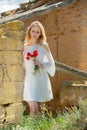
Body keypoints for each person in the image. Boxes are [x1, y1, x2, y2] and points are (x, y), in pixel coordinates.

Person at [23, 21, 55, 115]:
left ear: (41, 33)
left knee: (35, 108)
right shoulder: (25, 47)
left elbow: (51, 62)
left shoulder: (43, 45)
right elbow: (22, 63)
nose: (35, 34)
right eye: (33, 31)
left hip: (40, 76)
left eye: (38, 32)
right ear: (29, 32)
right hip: (29, 77)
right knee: (32, 105)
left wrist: (41, 65)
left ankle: (33, 125)